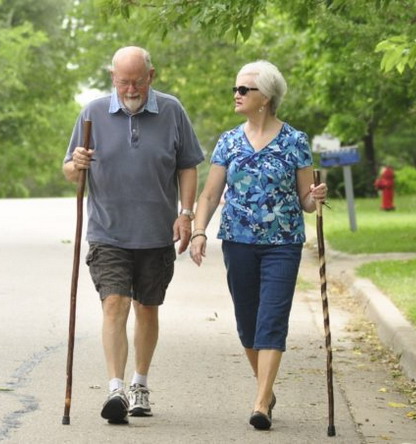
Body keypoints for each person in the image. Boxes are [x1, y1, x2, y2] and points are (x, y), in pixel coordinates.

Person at [63, 46, 204, 424]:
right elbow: (71, 171)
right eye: (123, 81)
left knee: (147, 308)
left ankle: (140, 382)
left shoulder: (172, 111)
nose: (130, 88)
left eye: (138, 81)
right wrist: (76, 165)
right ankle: (115, 389)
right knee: (114, 304)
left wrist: (186, 214)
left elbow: (188, 165)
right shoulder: (93, 113)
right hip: (108, 231)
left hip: (156, 232)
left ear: (151, 77)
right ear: (113, 77)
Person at [188, 60, 328, 430]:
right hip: (238, 242)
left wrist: (316, 196)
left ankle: (262, 400)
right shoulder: (229, 141)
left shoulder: (295, 141)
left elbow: (306, 202)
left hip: (283, 243)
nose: (236, 95)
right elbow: (209, 194)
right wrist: (200, 231)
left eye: (243, 89)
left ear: (265, 97)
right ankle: (265, 387)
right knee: (248, 324)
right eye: (235, 89)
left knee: (272, 319)